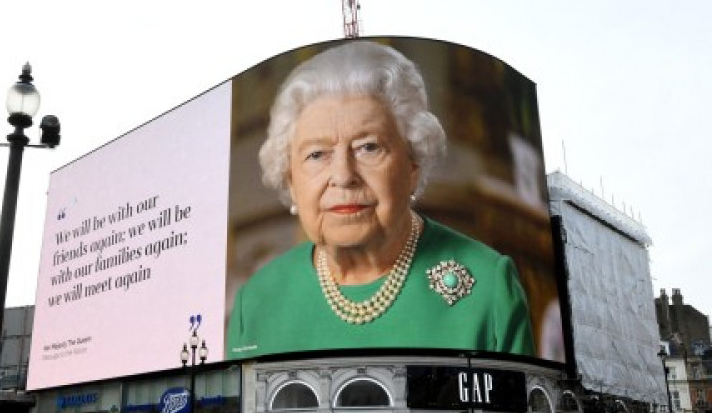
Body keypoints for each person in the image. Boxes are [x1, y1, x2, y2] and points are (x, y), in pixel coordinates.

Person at [227, 40, 535, 358]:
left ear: (413, 164)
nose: (344, 175)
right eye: (317, 154)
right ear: (291, 181)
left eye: (368, 147)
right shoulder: (255, 302)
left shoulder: (489, 286)